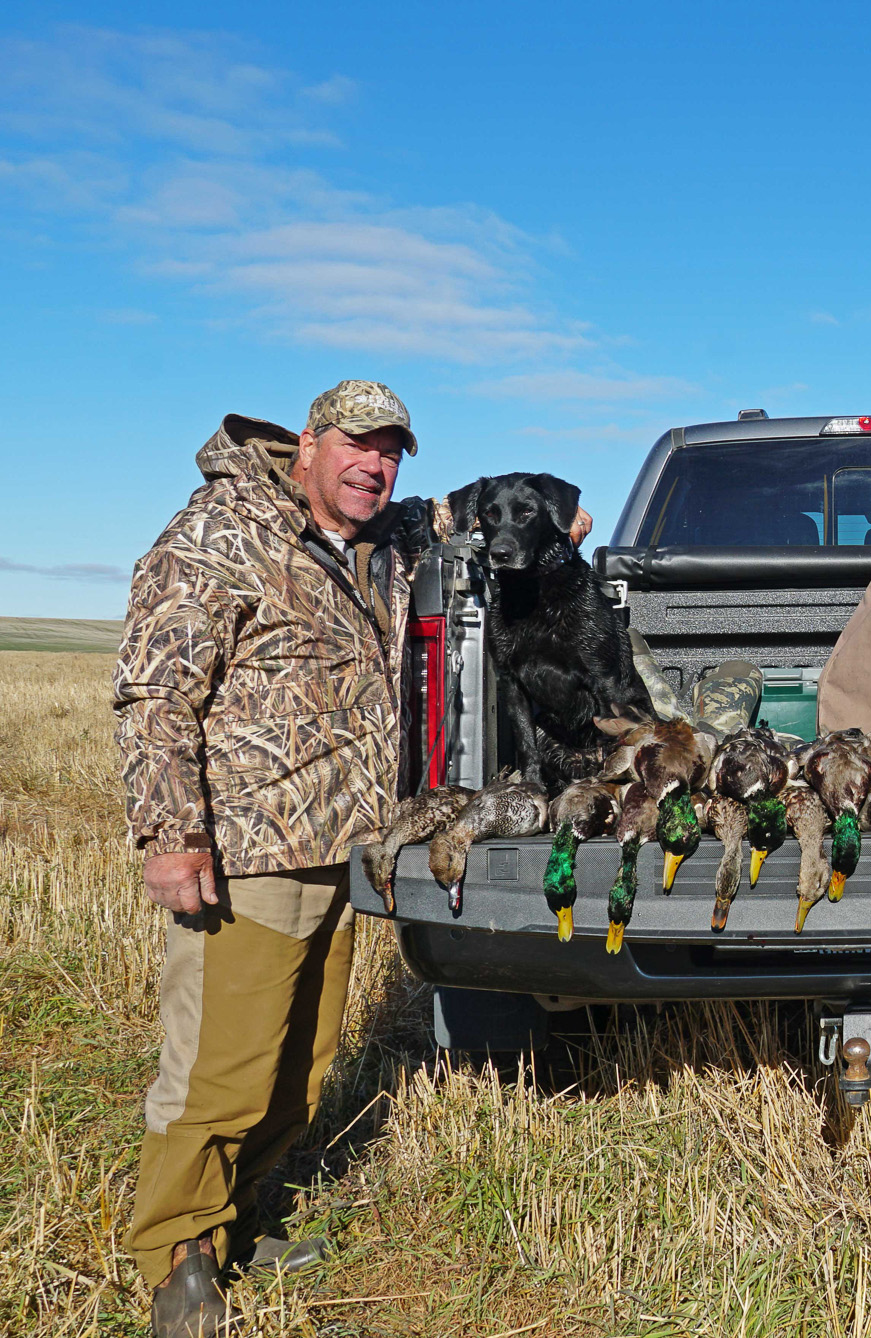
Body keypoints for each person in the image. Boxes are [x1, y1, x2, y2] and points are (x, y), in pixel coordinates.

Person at [113, 382, 599, 1335]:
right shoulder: (222, 534)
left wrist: (557, 508)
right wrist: (173, 838)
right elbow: (154, 695)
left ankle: (241, 1224)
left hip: (343, 846)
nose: (374, 466)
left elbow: (459, 508)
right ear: (308, 443)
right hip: (251, 848)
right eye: (357, 446)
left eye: (390, 453)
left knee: (304, 1056)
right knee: (221, 1062)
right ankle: (178, 1254)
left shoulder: (377, 537)